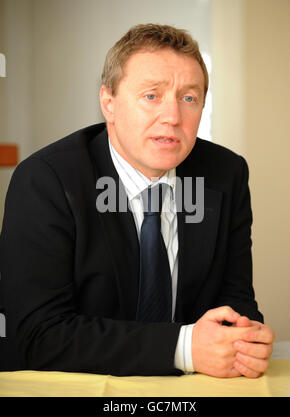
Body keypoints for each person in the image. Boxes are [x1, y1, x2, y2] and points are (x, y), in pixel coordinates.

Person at [0, 24, 274, 378]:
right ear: (108, 103)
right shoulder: (46, 180)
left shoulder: (226, 174)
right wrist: (184, 347)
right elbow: (37, 336)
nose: (173, 117)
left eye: (189, 98)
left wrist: (244, 340)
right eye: (151, 96)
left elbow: (235, 303)